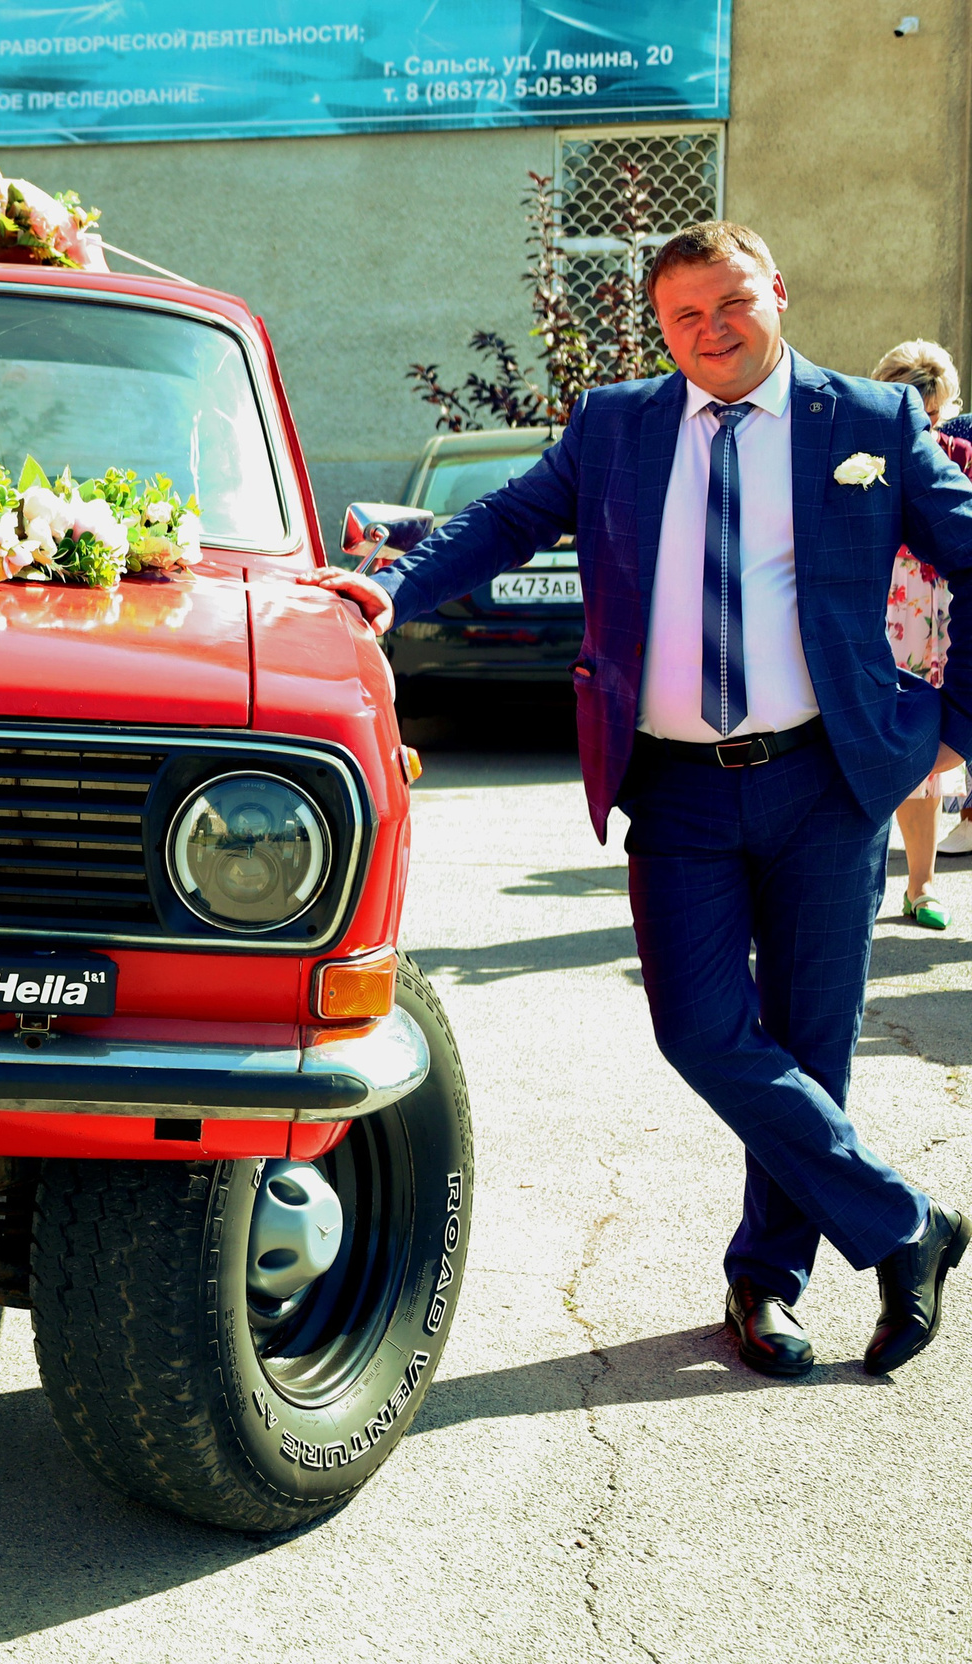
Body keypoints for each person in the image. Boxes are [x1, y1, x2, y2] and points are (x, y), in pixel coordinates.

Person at [303, 223, 972, 1378]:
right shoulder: (618, 424)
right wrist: (388, 586)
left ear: (776, 291)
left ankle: (766, 1284)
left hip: (828, 779)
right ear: (658, 327)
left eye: (730, 304)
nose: (711, 332)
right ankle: (908, 1222)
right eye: (683, 317)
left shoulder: (867, 422)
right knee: (700, 1029)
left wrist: (945, 731)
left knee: (810, 1051)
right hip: (675, 787)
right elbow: (506, 519)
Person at [871, 340, 972, 920]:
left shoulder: (958, 452)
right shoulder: (861, 446)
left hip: (936, 613)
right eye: (917, 414)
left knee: (925, 745)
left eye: (935, 415)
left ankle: (921, 885)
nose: (927, 428)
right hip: (880, 607)